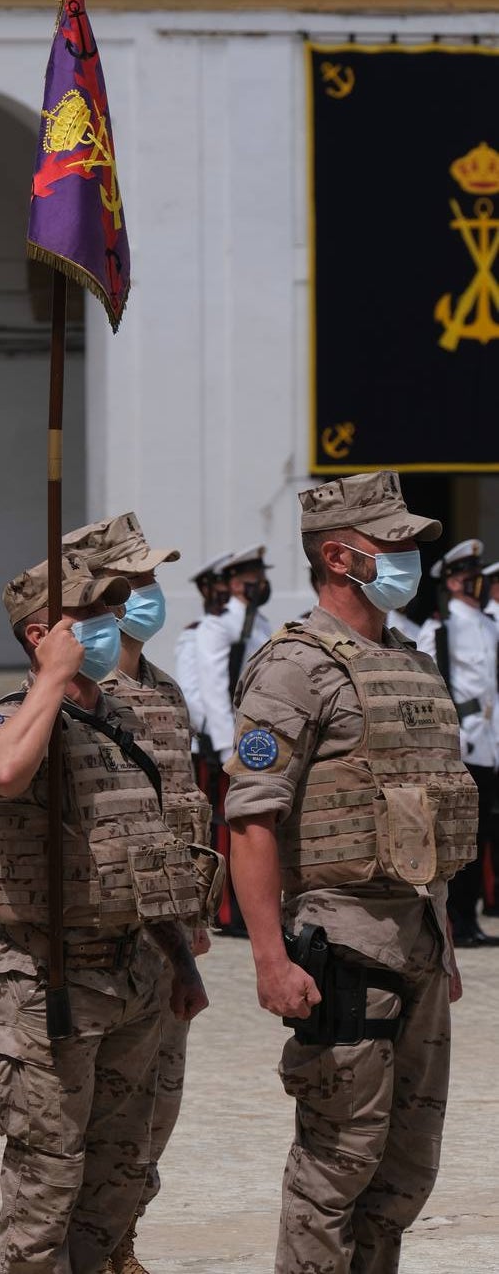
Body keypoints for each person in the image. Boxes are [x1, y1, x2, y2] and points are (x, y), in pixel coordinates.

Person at [226, 470, 476, 1274]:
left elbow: (423, 815)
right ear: (341, 556)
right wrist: (269, 957)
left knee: (406, 1170)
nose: (412, 560)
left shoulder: (408, 660)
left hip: (418, 944)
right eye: (394, 545)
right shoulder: (293, 667)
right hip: (343, 946)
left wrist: (443, 937)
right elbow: (253, 822)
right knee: (339, 1163)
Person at [0, 553, 209, 1274]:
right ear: (41, 634)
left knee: (117, 1174)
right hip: (52, 988)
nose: (110, 626)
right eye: (92, 617)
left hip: (135, 974)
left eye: (113, 612)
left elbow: (152, 853)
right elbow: (5, 773)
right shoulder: (8, 720)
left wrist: (181, 960)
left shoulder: (126, 724)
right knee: (47, 1182)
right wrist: (49, 680)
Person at [63, 515, 218, 1274]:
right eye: (137, 583)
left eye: (155, 580)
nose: (152, 595)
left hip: (169, 939)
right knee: (89, 1108)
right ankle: (81, 1244)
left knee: (156, 1103)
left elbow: (186, 817)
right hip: (101, 934)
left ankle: (122, 1235)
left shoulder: (164, 693)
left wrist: (191, 920)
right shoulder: (76, 694)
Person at [416, 540, 499, 947]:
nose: (474, 581)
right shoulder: (440, 627)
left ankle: (470, 919)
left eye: (476, 574)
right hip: (460, 740)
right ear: (449, 580)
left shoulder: (488, 623)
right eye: (465, 574)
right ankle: (455, 923)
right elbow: (430, 686)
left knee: (482, 832)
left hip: (489, 740)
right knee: (457, 835)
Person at [194, 546, 272, 936]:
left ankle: (252, 907)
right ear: (235, 582)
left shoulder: (260, 623)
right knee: (230, 829)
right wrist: (228, 748)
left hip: (262, 742)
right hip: (235, 746)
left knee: (258, 826)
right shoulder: (218, 627)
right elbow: (213, 691)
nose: (260, 585)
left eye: (262, 577)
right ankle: (229, 912)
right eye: (252, 579)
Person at [173, 551, 232, 748]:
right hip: (210, 741)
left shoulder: (241, 630)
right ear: (206, 589)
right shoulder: (193, 634)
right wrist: (218, 730)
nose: (228, 589)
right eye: (222, 582)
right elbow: (190, 692)